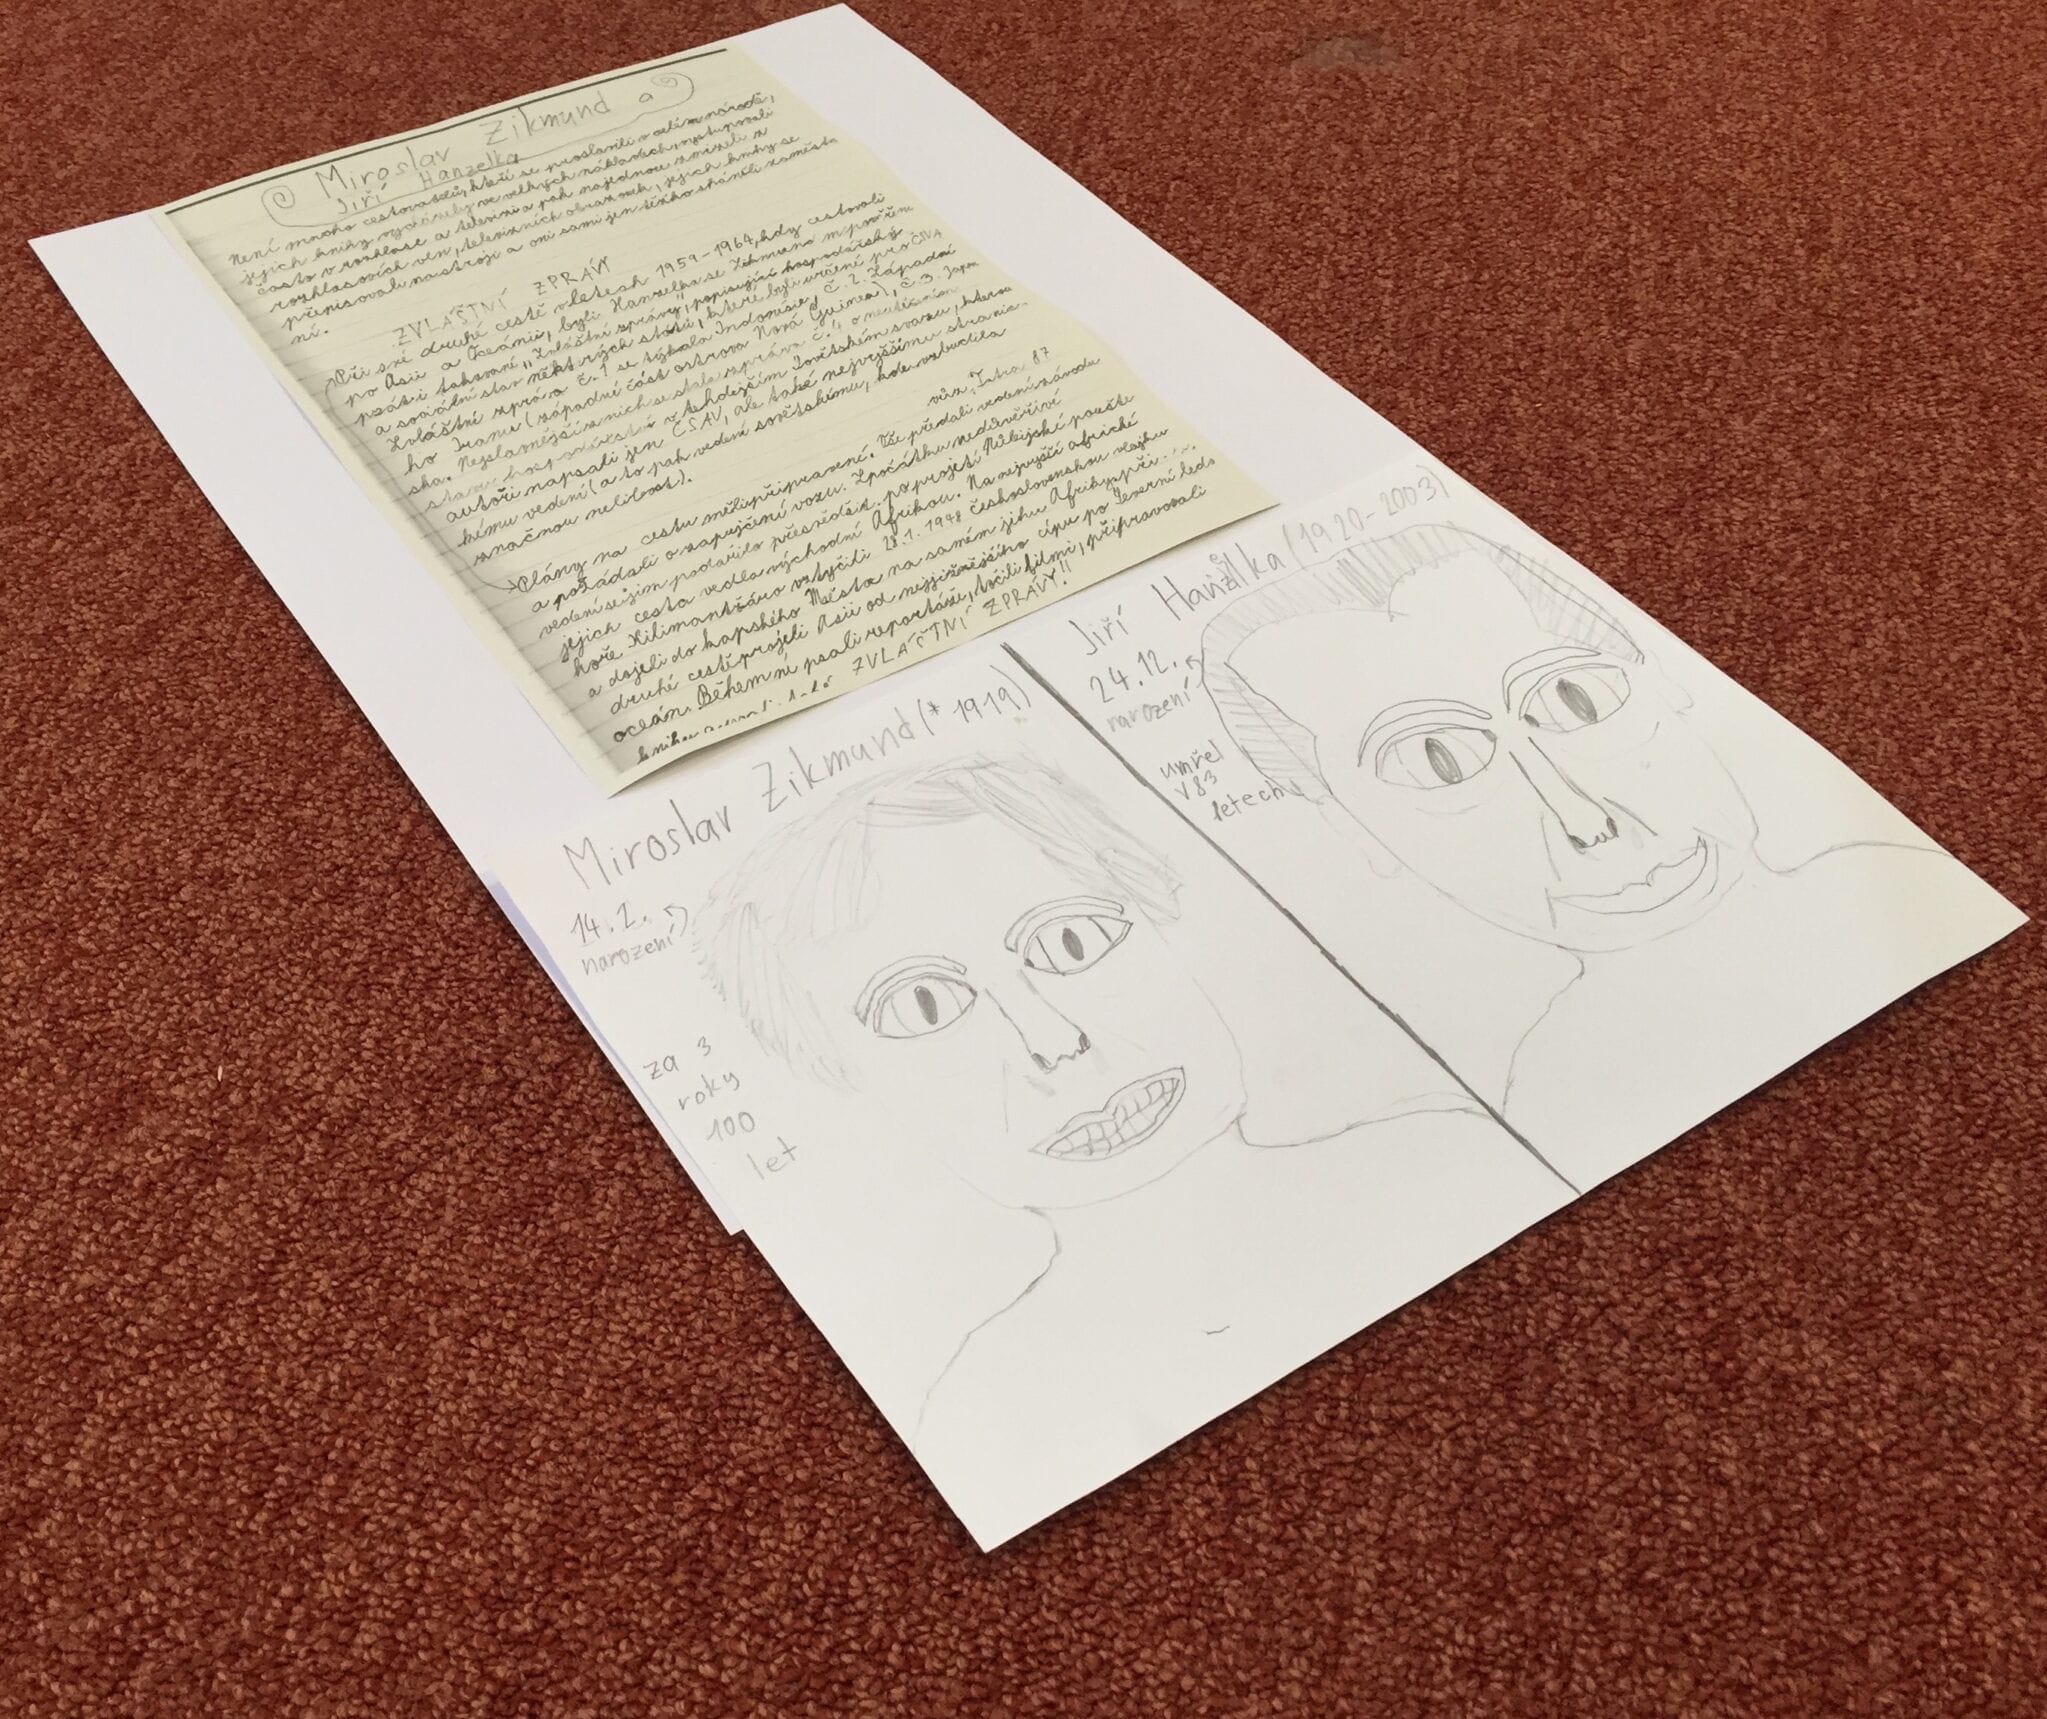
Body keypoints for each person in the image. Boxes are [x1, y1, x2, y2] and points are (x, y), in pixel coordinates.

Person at [695, 752, 1563, 1515]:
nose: (1053, 1040)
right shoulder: (987, 1412)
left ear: (1156, 915)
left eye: (1072, 939)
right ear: (846, 1076)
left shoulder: (1452, 1160)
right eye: (924, 1006)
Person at [1200, 523, 1966, 1181]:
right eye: (1438, 761)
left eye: (1576, 699)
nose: (1585, 821)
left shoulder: (1912, 893)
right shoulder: (1554, 1098)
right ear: (1357, 831)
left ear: (1664, 680)